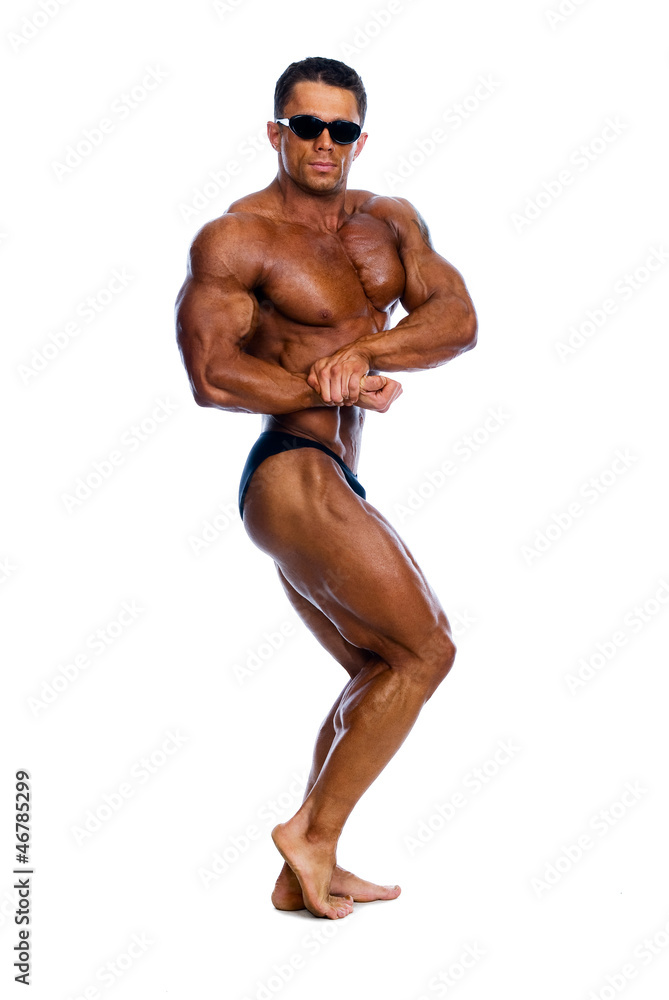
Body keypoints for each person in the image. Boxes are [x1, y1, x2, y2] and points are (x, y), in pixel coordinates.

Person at [175, 56, 477, 920]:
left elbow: (456, 320)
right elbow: (213, 375)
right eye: (304, 126)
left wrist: (365, 354)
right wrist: (325, 385)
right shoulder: (237, 238)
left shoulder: (389, 220)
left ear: (358, 137)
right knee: (428, 652)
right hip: (289, 472)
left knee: (380, 668)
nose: (322, 143)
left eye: (339, 129)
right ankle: (308, 834)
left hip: (336, 472)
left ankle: (309, 865)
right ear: (276, 132)